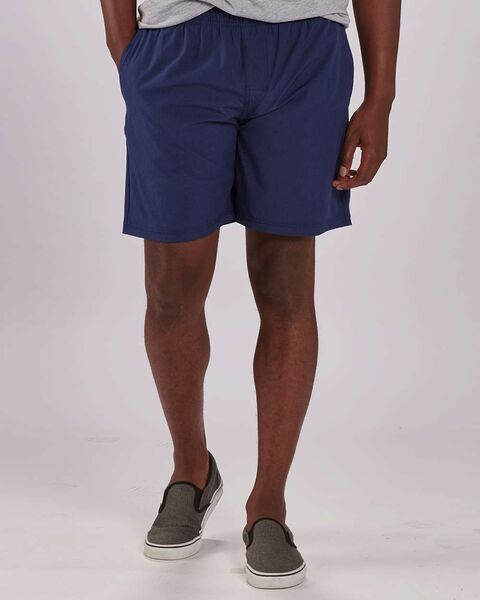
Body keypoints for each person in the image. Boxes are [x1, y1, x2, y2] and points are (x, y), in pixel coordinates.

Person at [100, 0, 400, 589]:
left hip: (303, 51)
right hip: (177, 42)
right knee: (171, 288)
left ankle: (269, 504)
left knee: (287, 286)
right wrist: (124, 46)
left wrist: (381, 95)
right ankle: (191, 469)